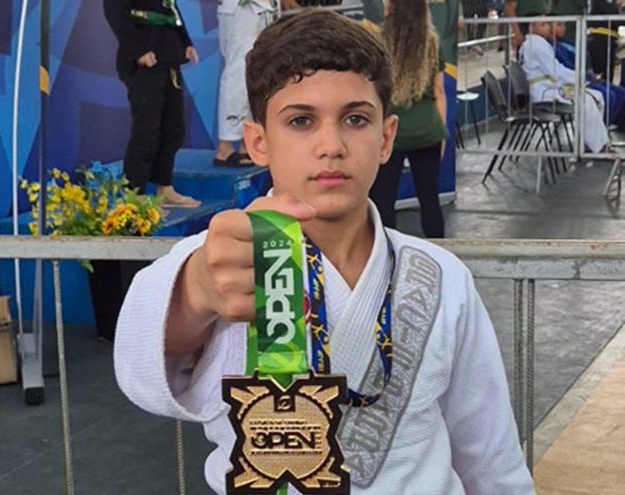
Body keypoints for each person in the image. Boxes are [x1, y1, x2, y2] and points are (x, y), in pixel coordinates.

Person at [115, 9, 535, 495]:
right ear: (258, 142)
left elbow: (490, 455)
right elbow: (139, 367)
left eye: (355, 119)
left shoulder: (441, 275)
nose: (331, 145)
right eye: (301, 121)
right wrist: (193, 294)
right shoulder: (225, 261)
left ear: (386, 138)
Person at [103, 0, 202, 207]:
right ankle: (135, 193)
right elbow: (114, 11)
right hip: (145, 57)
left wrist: (185, 41)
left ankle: (165, 186)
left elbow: (169, 6)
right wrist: (138, 50)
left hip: (168, 54)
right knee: (147, 128)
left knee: (174, 126)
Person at [368, 0, 447, 238]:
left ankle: (387, 254)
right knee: (430, 200)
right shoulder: (432, 44)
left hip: (390, 134)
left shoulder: (378, 42)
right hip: (428, 131)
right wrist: (442, 133)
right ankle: (439, 252)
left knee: (383, 200)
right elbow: (439, 91)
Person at [520, 15, 610, 152]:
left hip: (548, 86)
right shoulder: (536, 45)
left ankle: (589, 143)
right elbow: (555, 72)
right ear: (531, 28)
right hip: (543, 91)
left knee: (597, 96)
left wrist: (578, 78)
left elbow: (555, 70)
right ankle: (599, 148)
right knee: (586, 101)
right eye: (543, 25)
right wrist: (580, 78)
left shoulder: (536, 43)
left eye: (547, 24)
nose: (547, 27)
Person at [213, 0, 277, 167]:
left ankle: (246, 143)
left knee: (255, 71)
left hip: (260, 8)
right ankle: (225, 146)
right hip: (241, 9)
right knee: (239, 72)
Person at [550, 19, 625, 129]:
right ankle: (599, 131)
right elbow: (565, 69)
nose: (563, 28)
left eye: (564, 25)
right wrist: (586, 77)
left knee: (620, 92)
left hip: (586, 76)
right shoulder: (551, 47)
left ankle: (615, 125)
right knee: (609, 96)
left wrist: (590, 74)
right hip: (573, 81)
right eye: (559, 25)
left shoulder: (568, 43)